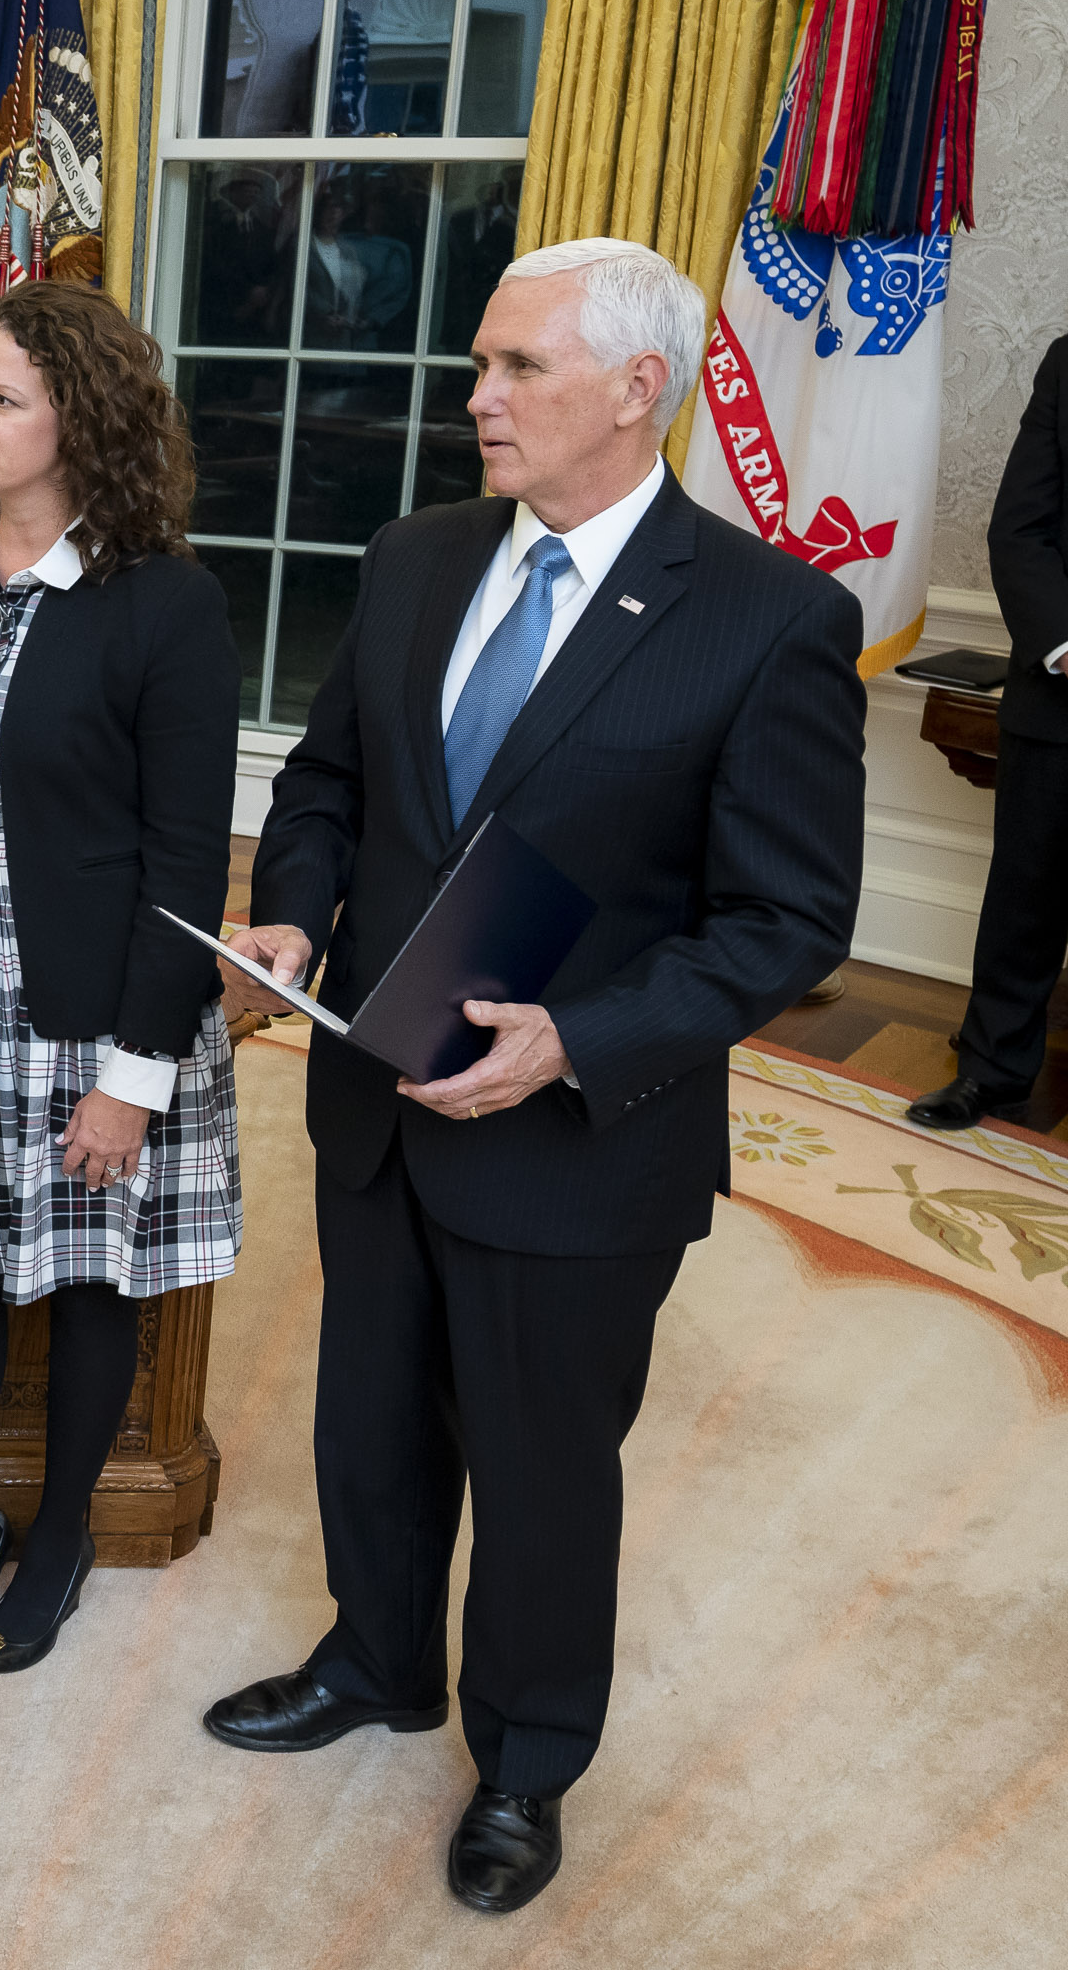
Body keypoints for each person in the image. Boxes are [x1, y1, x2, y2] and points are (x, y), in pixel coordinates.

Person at [206, 238, 865, 1913]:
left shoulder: (771, 618)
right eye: (481, 365)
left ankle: (527, 1755)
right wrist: (290, 919)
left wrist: (576, 1041)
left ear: (637, 392)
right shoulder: (417, 556)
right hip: (379, 1101)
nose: (475, 398)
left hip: (577, 1143)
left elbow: (789, 917)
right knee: (367, 1419)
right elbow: (330, 786)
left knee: (544, 1465)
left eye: (517, 369)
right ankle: (375, 1659)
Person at [0, 281, 241, 1676]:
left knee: (92, 1285)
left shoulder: (169, 605)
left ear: (80, 419)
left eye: (2, 398)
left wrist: (132, 1081)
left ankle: (63, 1534)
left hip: (93, 1016)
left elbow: (183, 858)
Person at [911, 332, 1068, 1131]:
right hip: (1061, 696)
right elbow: (1020, 529)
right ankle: (994, 1071)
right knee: (1026, 897)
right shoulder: (1066, 364)